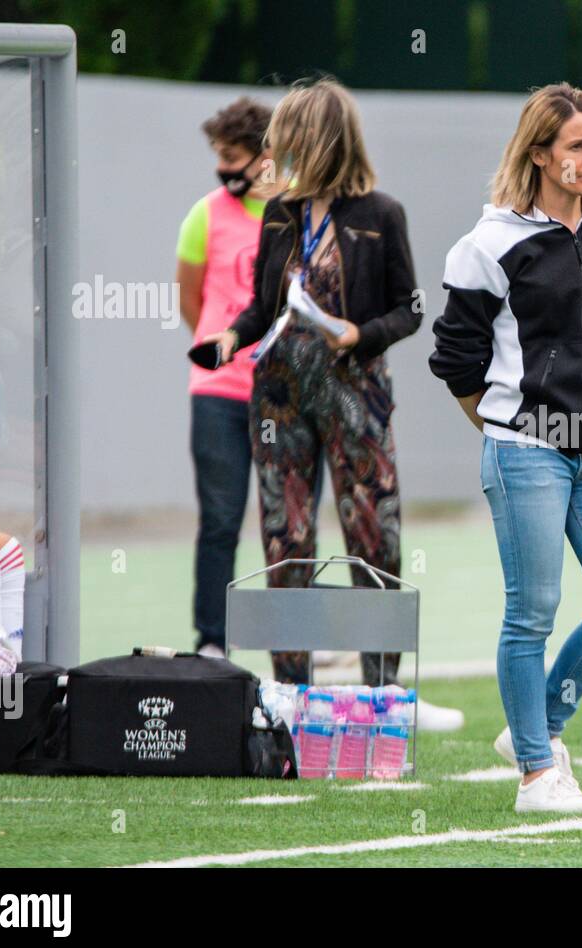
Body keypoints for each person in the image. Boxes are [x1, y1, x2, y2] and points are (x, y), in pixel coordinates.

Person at [200, 77, 463, 732]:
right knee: (285, 534)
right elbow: (264, 306)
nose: (276, 153)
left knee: (373, 533)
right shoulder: (280, 215)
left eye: (289, 139)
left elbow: (410, 309)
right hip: (280, 396)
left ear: (320, 142)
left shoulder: (381, 214)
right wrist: (231, 336)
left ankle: (383, 690)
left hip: (356, 395)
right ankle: (292, 690)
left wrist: (358, 333)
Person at [429, 83, 582, 812]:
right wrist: (500, 428)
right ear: (539, 154)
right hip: (525, 448)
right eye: (577, 147)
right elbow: (455, 359)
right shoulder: (491, 242)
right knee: (533, 610)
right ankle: (536, 774)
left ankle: (541, 725)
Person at [177, 96, 290, 658]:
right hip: (219, 394)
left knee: (286, 525)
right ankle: (212, 643)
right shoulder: (205, 214)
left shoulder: (296, 211)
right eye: (218, 157)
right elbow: (190, 299)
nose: (224, 169)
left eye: (233, 157)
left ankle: (288, 646)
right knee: (221, 519)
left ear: (267, 155)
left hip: (284, 397)